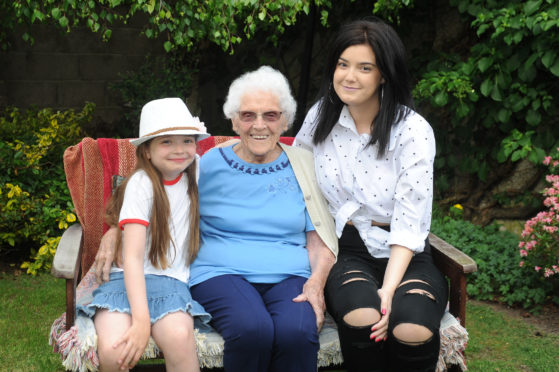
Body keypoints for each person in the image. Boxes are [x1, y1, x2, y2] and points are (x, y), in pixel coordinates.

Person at [95, 67, 338, 371]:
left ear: (286, 120)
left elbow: (320, 235)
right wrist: (116, 230)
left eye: (271, 115)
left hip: (289, 275)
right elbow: (153, 190)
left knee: (297, 333)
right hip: (219, 273)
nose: (258, 125)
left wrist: (316, 282)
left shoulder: (305, 166)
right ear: (234, 120)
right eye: (248, 115)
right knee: (252, 329)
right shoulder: (206, 164)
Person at [293, 18, 449, 372]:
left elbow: (410, 221)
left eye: (365, 68)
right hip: (345, 247)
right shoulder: (321, 117)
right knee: (363, 316)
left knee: (410, 326)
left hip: (404, 250)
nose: (349, 76)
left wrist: (390, 290)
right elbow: (298, 175)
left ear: (384, 75)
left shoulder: (412, 131)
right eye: (342, 64)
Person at [79, 98, 211, 372]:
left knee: (179, 337)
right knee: (115, 351)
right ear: (147, 151)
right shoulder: (141, 185)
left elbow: (234, 151)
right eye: (166, 142)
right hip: (124, 284)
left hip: (171, 283)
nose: (179, 150)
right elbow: (133, 257)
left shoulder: (196, 169)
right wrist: (141, 321)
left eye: (187, 140)